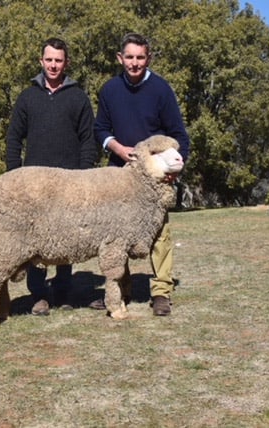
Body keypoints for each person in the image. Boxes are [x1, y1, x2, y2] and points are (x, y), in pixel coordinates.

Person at [93, 32, 190, 316]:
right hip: (119, 175)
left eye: (140, 57)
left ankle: (161, 291)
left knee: (160, 233)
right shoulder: (109, 90)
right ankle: (119, 290)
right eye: (130, 57)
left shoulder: (161, 90)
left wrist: (174, 168)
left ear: (148, 58)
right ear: (120, 58)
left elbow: (179, 136)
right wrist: (118, 148)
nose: (135, 63)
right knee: (115, 236)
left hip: (154, 179)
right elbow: (100, 129)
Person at [6, 37, 98, 316]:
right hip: (34, 186)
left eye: (59, 60)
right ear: (41, 62)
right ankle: (38, 295)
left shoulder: (78, 97)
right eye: (49, 60)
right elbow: (13, 139)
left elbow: (88, 140)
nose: (54, 65)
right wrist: (15, 177)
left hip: (70, 184)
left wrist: (83, 178)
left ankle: (63, 290)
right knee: (36, 242)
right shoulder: (27, 97)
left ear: (66, 63)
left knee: (67, 238)